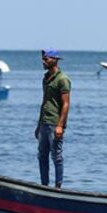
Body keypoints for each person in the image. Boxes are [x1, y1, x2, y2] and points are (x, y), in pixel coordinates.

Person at [35, 48, 71, 188]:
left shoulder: (62, 79)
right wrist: (38, 125)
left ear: (54, 60)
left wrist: (60, 125)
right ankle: (44, 185)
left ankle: (58, 187)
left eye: (46, 59)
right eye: (43, 58)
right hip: (44, 122)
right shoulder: (46, 78)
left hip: (54, 123)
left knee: (56, 156)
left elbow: (66, 104)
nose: (43, 61)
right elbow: (44, 102)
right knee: (42, 155)